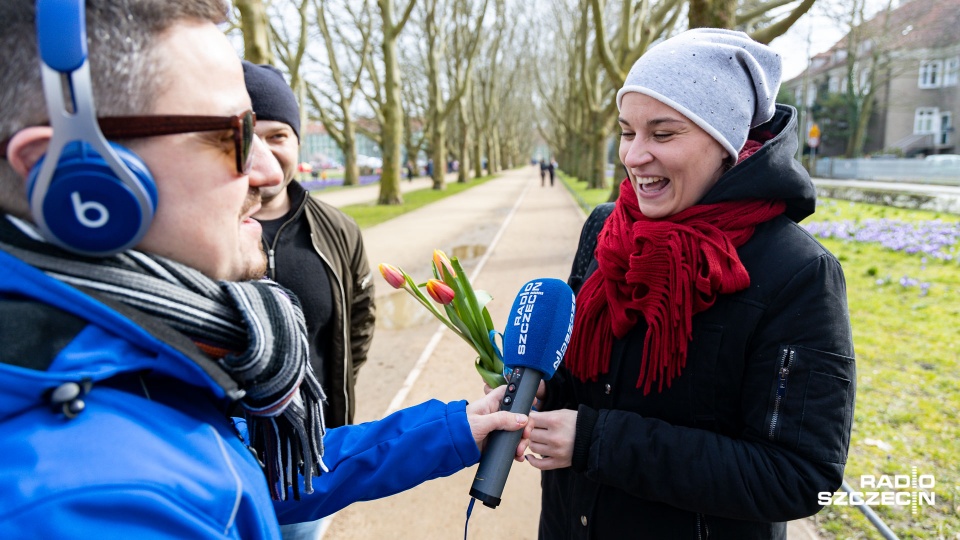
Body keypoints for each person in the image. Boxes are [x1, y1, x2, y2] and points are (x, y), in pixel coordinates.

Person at [0, 1, 531, 537]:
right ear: (73, 179)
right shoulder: (93, 505)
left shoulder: (128, 360)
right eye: (232, 133)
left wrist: (452, 430)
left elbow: (251, 472)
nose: (267, 169)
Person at [526, 29, 855, 539]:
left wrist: (596, 441)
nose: (634, 157)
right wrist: (543, 392)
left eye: (662, 134)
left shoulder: (798, 273)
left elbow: (801, 477)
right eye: (627, 132)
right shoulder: (605, 229)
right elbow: (585, 380)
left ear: (726, 143)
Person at [243, 61, 374, 430]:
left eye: (277, 136)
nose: (263, 152)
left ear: (297, 142)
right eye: (248, 134)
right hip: (231, 449)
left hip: (323, 437)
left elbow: (360, 320)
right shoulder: (207, 234)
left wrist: (334, 385)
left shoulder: (339, 229)